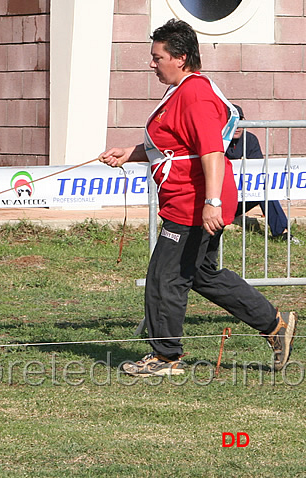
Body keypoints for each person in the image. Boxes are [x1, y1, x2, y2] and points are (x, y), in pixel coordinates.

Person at [100, 19, 297, 377]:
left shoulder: (195, 93)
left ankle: (165, 357)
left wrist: (213, 203)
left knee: (165, 277)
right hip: (189, 200)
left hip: (195, 203)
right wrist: (129, 153)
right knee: (203, 275)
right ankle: (275, 324)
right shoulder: (180, 90)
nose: (151, 63)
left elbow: (210, 152)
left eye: (157, 56)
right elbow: (175, 147)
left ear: (181, 57)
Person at [227, 104, 298, 243]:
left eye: (241, 120)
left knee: (265, 191)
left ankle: (282, 233)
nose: (238, 125)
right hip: (221, 199)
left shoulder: (250, 139)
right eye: (233, 121)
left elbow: (257, 171)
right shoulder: (217, 140)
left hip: (244, 194)